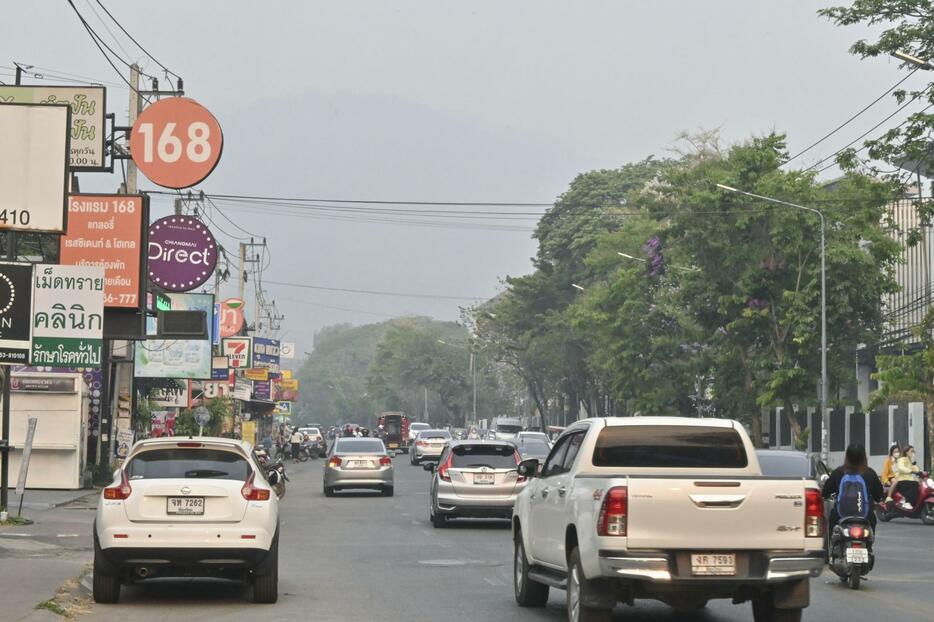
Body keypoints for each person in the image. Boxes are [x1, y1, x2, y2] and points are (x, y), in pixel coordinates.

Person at [822, 443, 884, 530]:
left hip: (840, 516)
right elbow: (879, 495)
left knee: (832, 527)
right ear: (864, 456)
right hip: (866, 517)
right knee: (871, 525)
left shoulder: (838, 472)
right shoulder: (870, 473)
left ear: (847, 456)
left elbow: (825, 492)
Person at [894, 444, 922, 509]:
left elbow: (915, 469)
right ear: (906, 452)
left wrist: (921, 471)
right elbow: (901, 467)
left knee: (920, 486)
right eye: (912, 451)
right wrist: (910, 470)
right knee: (915, 484)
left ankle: (915, 503)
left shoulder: (910, 461)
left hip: (908, 480)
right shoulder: (902, 459)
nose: (913, 453)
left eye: (914, 451)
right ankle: (907, 502)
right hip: (902, 481)